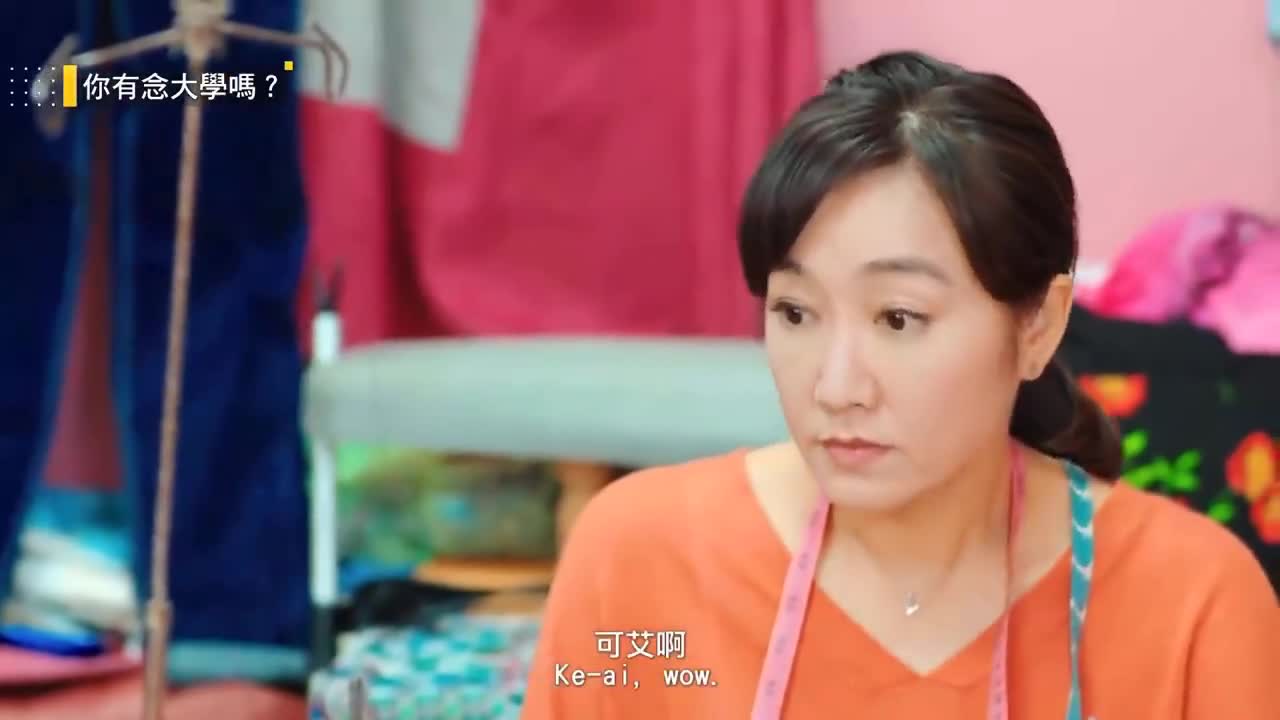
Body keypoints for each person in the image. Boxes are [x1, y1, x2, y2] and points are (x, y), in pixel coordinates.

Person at [520, 51, 1279, 719]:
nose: (836, 386)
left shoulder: (1195, 604)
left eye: (898, 318)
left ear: (1039, 326)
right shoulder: (638, 559)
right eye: (795, 312)